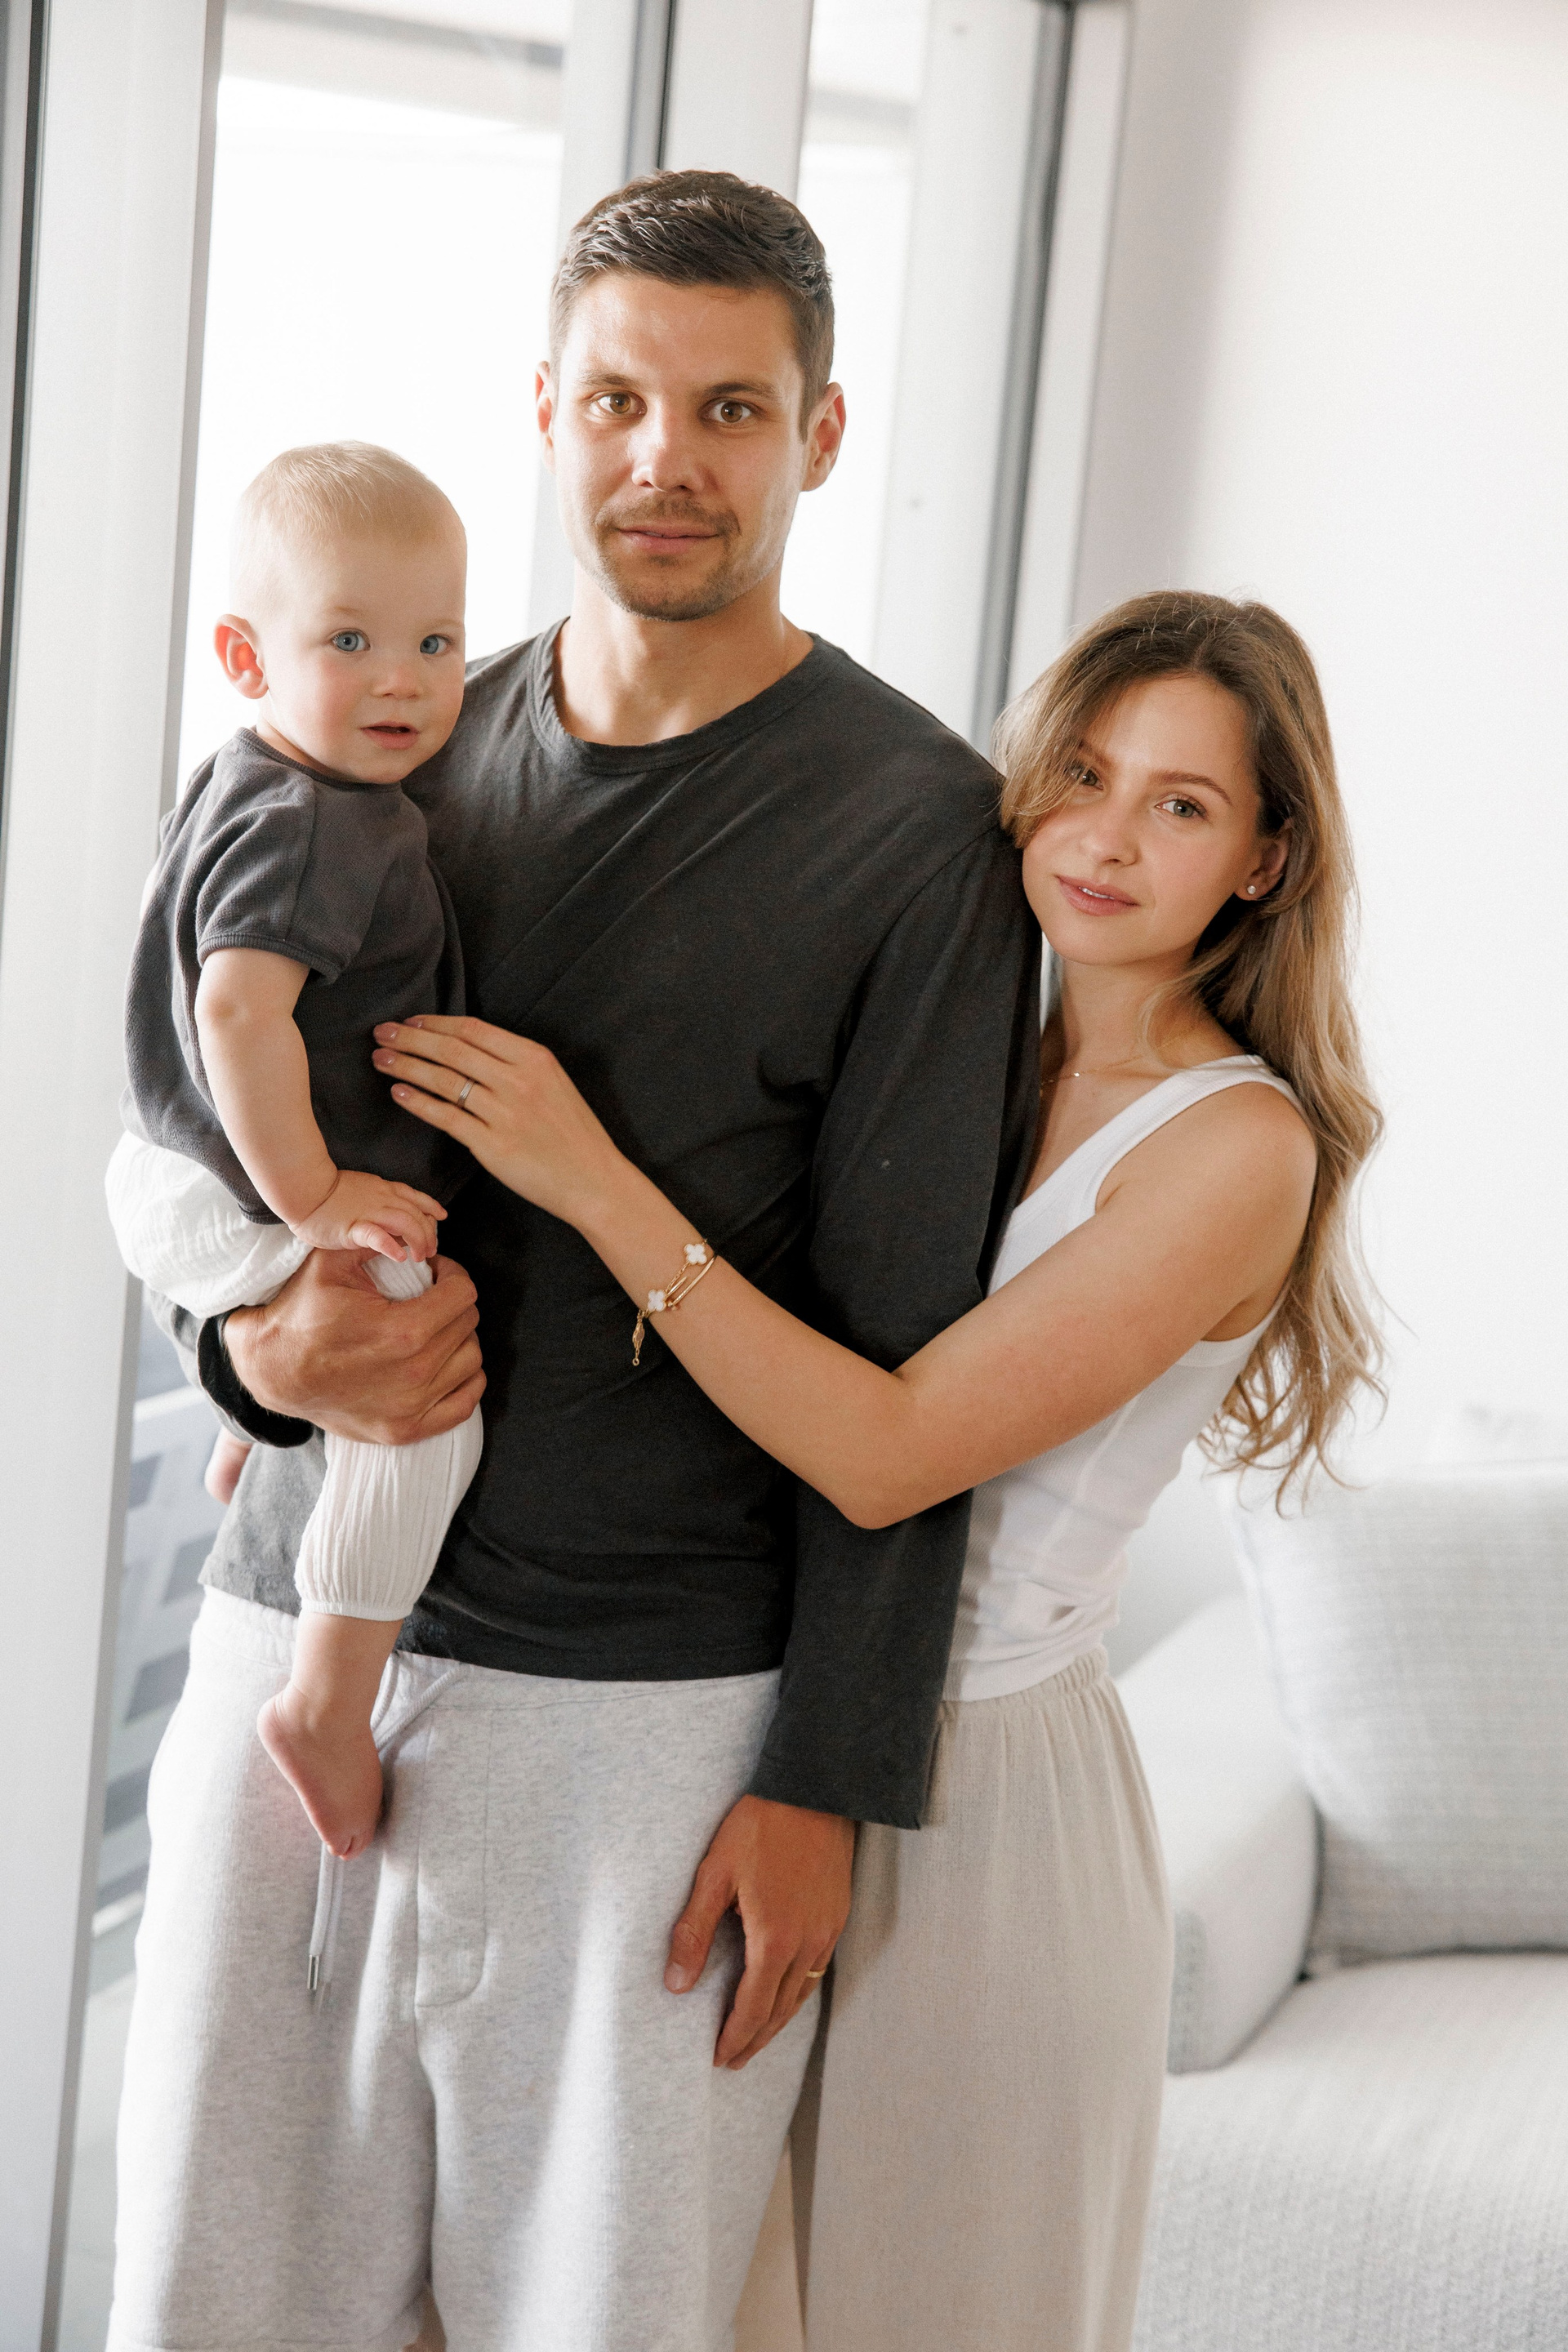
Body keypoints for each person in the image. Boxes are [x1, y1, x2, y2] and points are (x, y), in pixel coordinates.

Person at [109, 171, 1038, 2352]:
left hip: (647, 1728)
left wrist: (824, 1777)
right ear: (546, 407)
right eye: (618, 398)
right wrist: (246, 1355)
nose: (664, 458)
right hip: (293, 1646)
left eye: (731, 409)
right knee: (208, 2309)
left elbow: (914, 1340)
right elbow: (173, 1127)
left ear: (820, 434)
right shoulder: (388, 740)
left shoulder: (918, 831)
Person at [368, 590, 1385, 2352]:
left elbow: (884, 1453)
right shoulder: (970, 1045)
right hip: (774, 1730)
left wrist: (589, 1175)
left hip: (982, 1796)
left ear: (1267, 862)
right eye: (1084, 773)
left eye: (1182, 804)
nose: (1106, 839)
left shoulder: (1235, 1148)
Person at [106, 443, 483, 1864]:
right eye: (350, 641)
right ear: (244, 655)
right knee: (426, 1410)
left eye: (437, 643)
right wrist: (315, 1200)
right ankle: (326, 1703)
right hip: (244, 1183)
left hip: (172, 1164)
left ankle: (243, 1437)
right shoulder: (323, 823)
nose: (404, 681)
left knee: (337, 1346)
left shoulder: (246, 771)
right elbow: (238, 1009)